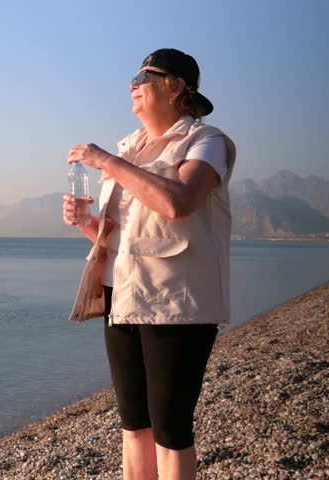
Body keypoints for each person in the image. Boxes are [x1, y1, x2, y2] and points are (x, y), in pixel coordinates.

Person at [61, 48, 236, 480]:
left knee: (170, 429)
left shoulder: (206, 141)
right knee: (133, 424)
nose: (132, 84)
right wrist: (88, 223)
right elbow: (125, 240)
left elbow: (179, 203)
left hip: (176, 303)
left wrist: (106, 162)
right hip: (121, 295)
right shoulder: (130, 148)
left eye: (144, 76)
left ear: (175, 86)